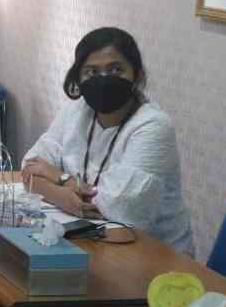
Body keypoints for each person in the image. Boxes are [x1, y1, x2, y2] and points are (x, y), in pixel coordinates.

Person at [22, 27, 194, 255]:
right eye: (91, 72)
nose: (103, 79)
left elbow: (121, 209)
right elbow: (29, 168)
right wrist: (64, 196)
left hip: (153, 255)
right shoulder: (77, 111)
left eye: (116, 69)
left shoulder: (153, 126)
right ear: (78, 77)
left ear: (137, 74)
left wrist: (60, 178)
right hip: (89, 242)